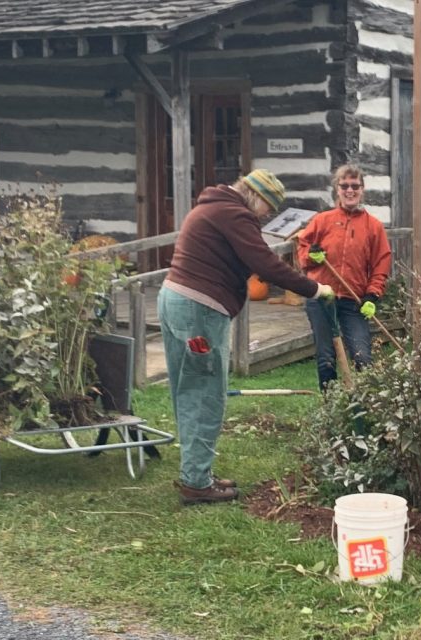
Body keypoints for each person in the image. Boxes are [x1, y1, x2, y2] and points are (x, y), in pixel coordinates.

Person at [159, 169, 335, 505]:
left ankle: (198, 471)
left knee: (189, 388)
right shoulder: (235, 214)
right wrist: (314, 288)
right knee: (206, 392)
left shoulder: (214, 206)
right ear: (255, 197)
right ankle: (196, 483)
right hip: (199, 310)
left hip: (174, 299)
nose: (265, 216)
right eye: (266, 208)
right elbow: (266, 265)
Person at [297, 165, 392, 390]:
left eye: (355, 186)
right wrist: (312, 255)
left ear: (362, 190)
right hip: (321, 297)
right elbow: (302, 248)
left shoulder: (373, 226)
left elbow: (381, 262)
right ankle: (332, 409)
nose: (350, 191)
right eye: (344, 186)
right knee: (326, 357)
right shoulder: (323, 221)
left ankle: (365, 405)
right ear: (337, 190)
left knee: (362, 357)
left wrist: (372, 295)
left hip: (353, 299)